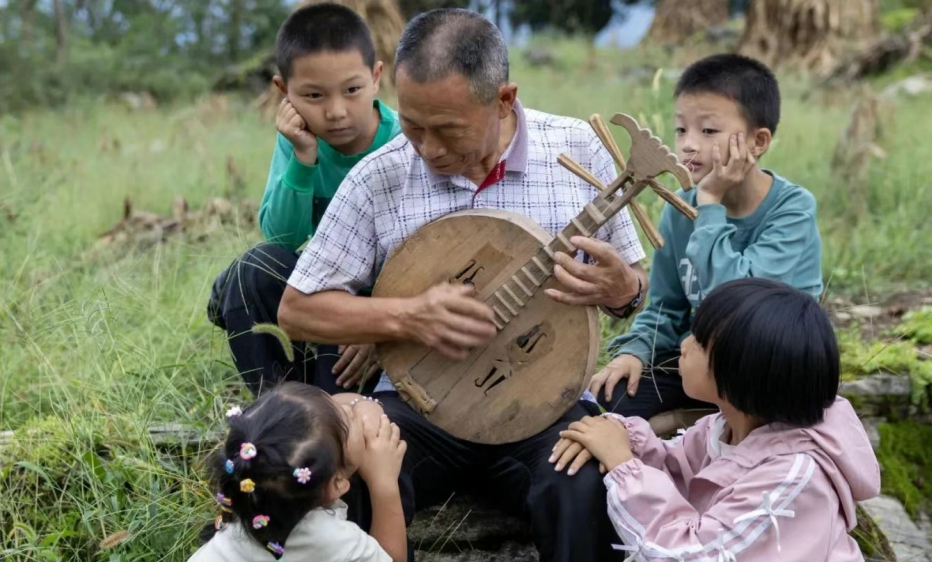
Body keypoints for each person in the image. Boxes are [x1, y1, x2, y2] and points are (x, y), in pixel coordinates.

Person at [276, 8, 649, 561]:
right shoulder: (382, 174)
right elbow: (297, 308)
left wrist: (623, 290)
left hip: (545, 406)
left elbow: (635, 288)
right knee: (343, 476)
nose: (426, 147)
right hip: (419, 406)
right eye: (412, 123)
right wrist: (405, 316)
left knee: (582, 483)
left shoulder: (579, 152)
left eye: (447, 129)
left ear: (503, 100)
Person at [552, 278, 880, 561]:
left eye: (700, 342)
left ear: (742, 374)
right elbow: (675, 469)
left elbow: (692, 555)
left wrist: (623, 465)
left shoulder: (793, 477)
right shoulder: (724, 429)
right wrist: (622, 436)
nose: (683, 346)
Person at [590, 54, 824, 420]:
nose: (688, 145)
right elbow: (666, 306)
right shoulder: (681, 209)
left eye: (708, 131)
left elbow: (739, 305)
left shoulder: (792, 210)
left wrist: (711, 203)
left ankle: (690, 423)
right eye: (682, 129)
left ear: (758, 141)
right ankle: (688, 424)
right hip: (701, 362)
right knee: (612, 399)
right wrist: (634, 350)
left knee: (746, 405)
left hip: (766, 369)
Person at [207, 2, 402, 396]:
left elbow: (428, 255)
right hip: (320, 303)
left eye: (352, 90)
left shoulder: (404, 144)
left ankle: (323, 412)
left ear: (376, 76)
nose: (335, 112)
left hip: (385, 318)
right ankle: (276, 406)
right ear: (284, 91)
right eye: (314, 95)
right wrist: (302, 159)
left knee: (337, 402)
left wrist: (378, 327)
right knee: (251, 272)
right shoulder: (298, 140)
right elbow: (281, 240)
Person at [189, 382, 407, 562]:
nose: (351, 409)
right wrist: (384, 484)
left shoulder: (235, 528)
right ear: (337, 483)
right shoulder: (334, 540)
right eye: (348, 421)